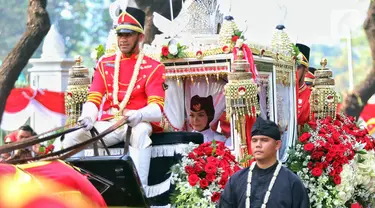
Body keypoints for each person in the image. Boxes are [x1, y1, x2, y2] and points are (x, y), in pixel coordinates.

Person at [62, 6, 166, 189]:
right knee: (72, 137)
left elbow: (157, 110)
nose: (123, 39)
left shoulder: (154, 67)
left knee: (141, 132)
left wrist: (139, 115)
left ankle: (138, 190)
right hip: (110, 122)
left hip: (137, 121)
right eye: (120, 35)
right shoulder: (105, 63)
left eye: (128, 35)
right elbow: (94, 99)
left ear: (140, 37)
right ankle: (71, 188)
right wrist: (87, 117)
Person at [219, 117, 310, 208]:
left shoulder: (292, 182)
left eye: (264, 140)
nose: (258, 145)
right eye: (254, 140)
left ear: (277, 144)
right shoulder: (236, 180)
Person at [296, 43, 312, 125]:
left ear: (306, 70)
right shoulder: (280, 93)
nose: (294, 71)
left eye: (297, 67)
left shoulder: (312, 97)